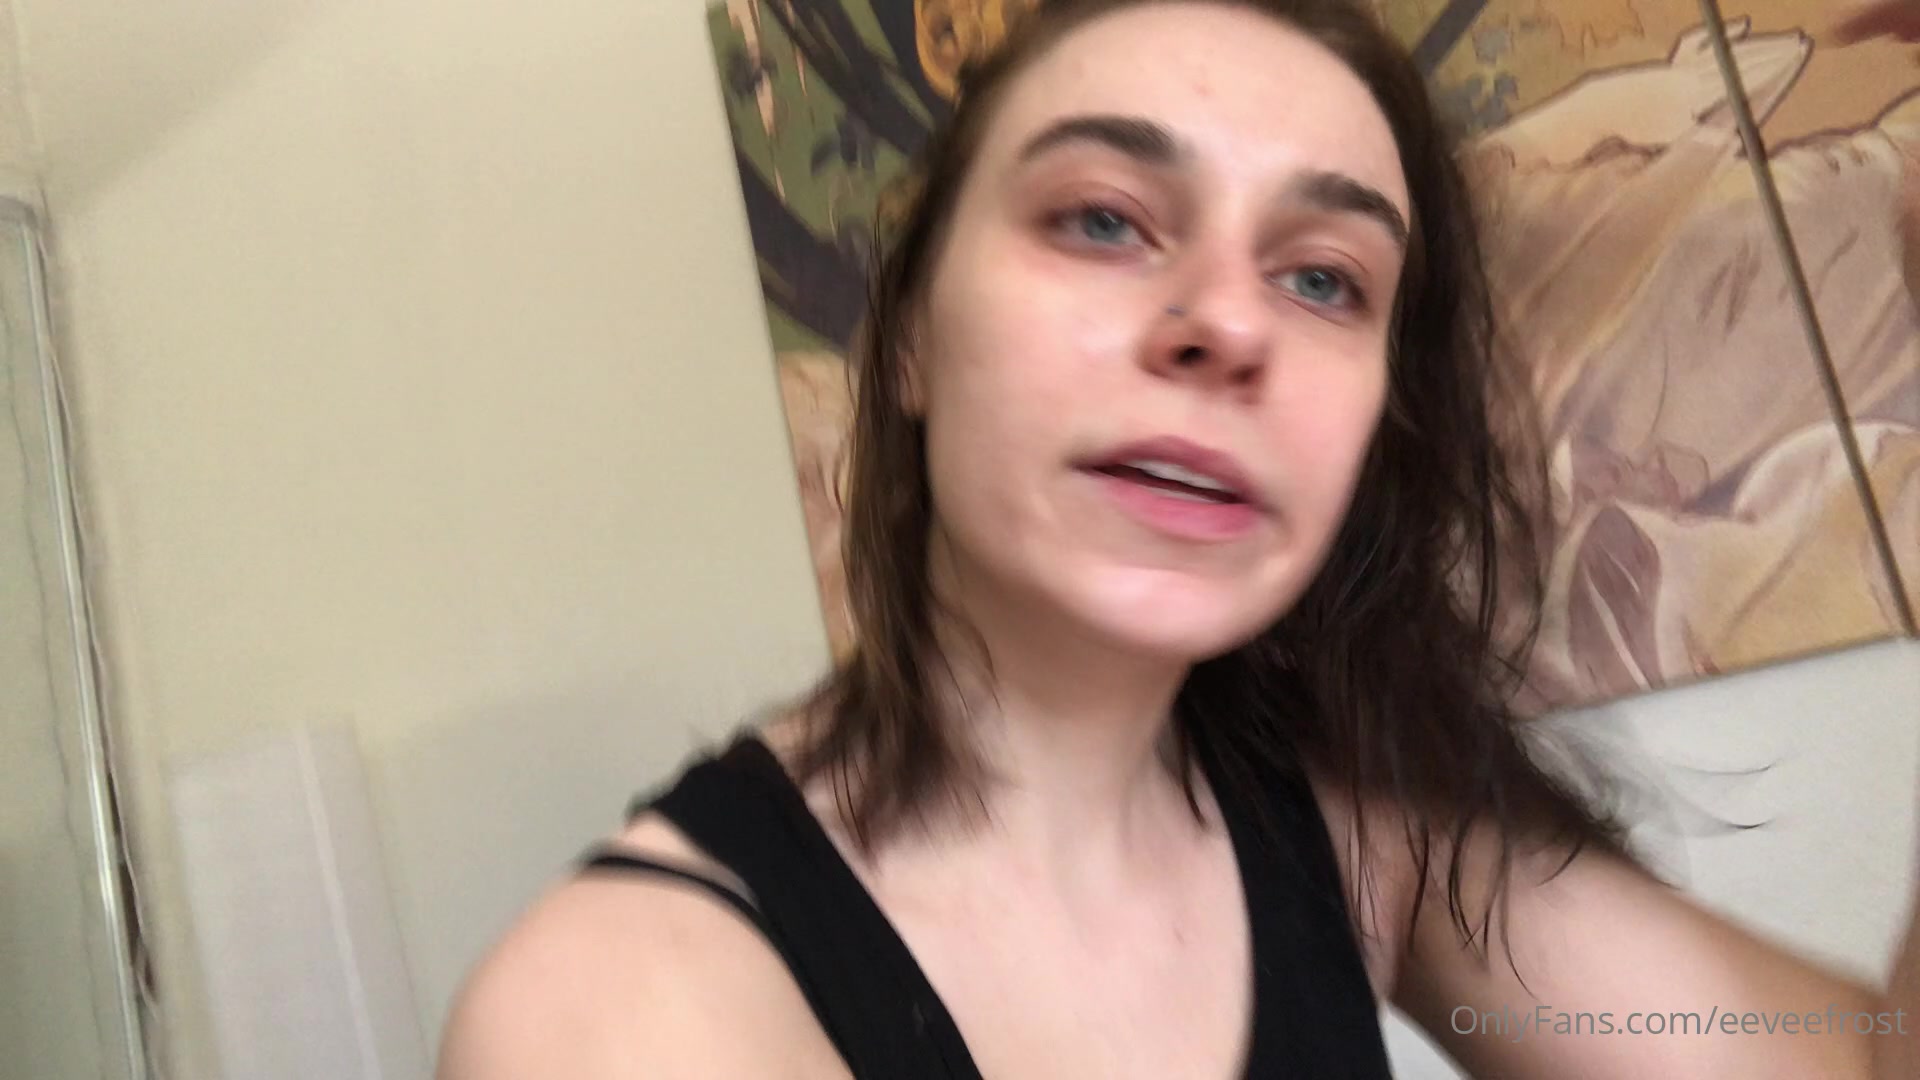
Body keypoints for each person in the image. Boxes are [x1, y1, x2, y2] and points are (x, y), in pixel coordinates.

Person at [437, 0, 1920, 1076]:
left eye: (1324, 279)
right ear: (910, 338)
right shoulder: (618, 1007)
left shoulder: (1358, 836)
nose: (1227, 323)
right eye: (1102, 219)